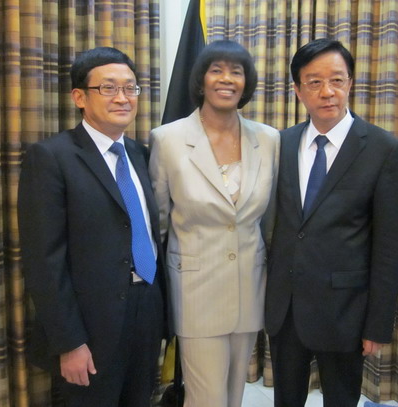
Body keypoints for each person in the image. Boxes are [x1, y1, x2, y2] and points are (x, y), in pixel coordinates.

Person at [18, 46, 171, 407]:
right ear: (79, 97)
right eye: (108, 88)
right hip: (89, 323)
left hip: (147, 309)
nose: (122, 97)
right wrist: (69, 342)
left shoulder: (141, 154)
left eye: (130, 88)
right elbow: (44, 262)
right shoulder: (52, 157)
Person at [265, 38, 398, 407]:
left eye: (337, 80)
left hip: (345, 310)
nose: (327, 92)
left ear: (350, 83)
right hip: (286, 306)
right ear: (298, 90)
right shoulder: (280, 143)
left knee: (342, 399)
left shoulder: (382, 149)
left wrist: (377, 324)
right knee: (285, 399)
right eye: (314, 82)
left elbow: (388, 246)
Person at [149, 40, 279, 407]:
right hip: (195, 291)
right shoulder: (168, 139)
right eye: (216, 70)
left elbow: (270, 220)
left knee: (234, 394)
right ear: (201, 80)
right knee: (207, 398)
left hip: (248, 287)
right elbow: (158, 224)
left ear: (246, 82)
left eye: (236, 72)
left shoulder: (269, 139)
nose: (227, 79)